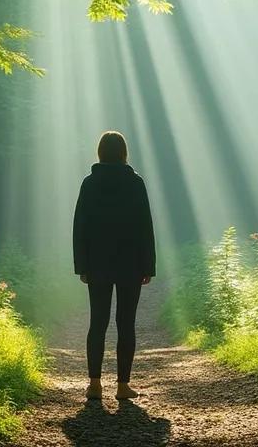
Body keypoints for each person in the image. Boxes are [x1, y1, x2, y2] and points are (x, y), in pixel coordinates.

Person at [72, 130, 156, 401]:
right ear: (123, 153)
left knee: (97, 322)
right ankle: (122, 386)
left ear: (100, 152)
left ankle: (94, 385)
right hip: (130, 263)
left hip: (97, 263)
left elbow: (80, 226)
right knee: (125, 323)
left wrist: (81, 265)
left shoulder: (89, 183)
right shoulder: (135, 183)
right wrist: (148, 266)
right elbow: (145, 226)